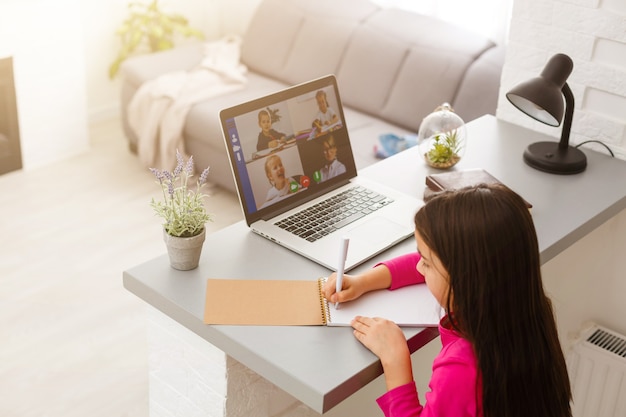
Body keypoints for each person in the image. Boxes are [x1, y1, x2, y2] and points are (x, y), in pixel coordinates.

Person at [323, 184, 572, 417]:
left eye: (427, 263)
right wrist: (364, 281)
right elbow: (428, 261)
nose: (420, 268)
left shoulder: (463, 367)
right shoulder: (528, 310)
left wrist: (395, 359)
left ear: (465, 275)